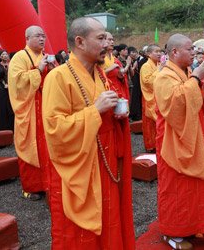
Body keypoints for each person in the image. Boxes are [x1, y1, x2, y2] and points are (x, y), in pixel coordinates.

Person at [42, 17, 135, 249]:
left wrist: (115, 114)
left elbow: (104, 115)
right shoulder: (58, 77)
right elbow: (55, 128)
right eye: (101, 38)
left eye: (107, 38)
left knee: (109, 218)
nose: (108, 44)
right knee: (80, 233)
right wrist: (95, 111)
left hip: (105, 161)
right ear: (80, 42)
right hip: (79, 166)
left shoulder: (101, 74)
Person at [153, 34, 204, 249]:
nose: (194, 53)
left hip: (190, 135)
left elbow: (196, 100)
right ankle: (172, 232)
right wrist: (197, 80)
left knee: (193, 186)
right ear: (174, 52)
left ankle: (192, 226)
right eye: (190, 49)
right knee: (175, 188)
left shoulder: (187, 72)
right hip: (172, 141)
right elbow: (176, 106)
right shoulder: (164, 76)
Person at [8, 25, 54, 200]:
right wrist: (38, 70)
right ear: (27, 38)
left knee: (47, 145)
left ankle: (48, 182)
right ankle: (32, 187)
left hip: (46, 106)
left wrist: (52, 68)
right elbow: (17, 82)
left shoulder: (44, 56)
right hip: (29, 107)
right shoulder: (20, 57)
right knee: (30, 145)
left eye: (43, 36)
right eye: (37, 36)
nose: (42, 39)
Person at [139, 44, 162, 152]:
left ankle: (160, 144)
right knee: (150, 124)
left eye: (160, 51)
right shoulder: (145, 66)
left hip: (159, 97)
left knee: (159, 123)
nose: (159, 53)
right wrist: (159, 70)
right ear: (148, 54)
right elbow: (147, 82)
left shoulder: (159, 64)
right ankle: (152, 146)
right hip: (149, 98)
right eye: (156, 51)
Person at [102, 33, 130, 99]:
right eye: (109, 39)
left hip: (118, 89)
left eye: (113, 40)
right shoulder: (99, 57)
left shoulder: (114, 59)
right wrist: (110, 68)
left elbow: (122, 74)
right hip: (107, 91)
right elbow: (97, 75)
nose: (112, 42)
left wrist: (121, 74)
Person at [128, 47, 142, 121]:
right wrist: (133, 67)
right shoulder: (132, 61)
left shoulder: (139, 60)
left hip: (137, 82)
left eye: (135, 52)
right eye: (132, 52)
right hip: (133, 82)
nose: (134, 54)